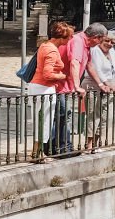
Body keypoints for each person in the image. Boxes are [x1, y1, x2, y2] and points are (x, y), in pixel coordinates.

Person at [49, 22, 106, 155]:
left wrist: (101, 84)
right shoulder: (78, 42)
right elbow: (75, 62)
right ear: (96, 37)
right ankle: (62, 148)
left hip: (63, 85)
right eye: (100, 41)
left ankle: (59, 147)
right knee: (63, 115)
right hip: (58, 84)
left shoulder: (85, 45)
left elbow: (89, 65)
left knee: (62, 115)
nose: (98, 44)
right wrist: (76, 85)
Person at [82, 31, 115, 152]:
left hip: (107, 86)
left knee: (106, 116)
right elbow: (96, 69)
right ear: (101, 39)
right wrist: (107, 84)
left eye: (112, 42)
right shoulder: (95, 50)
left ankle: (97, 143)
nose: (109, 44)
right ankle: (89, 145)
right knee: (93, 115)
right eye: (107, 40)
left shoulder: (111, 51)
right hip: (93, 85)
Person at [27, 21, 71, 163]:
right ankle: (38, 154)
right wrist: (63, 76)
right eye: (68, 37)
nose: (70, 40)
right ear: (61, 38)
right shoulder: (52, 50)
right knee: (45, 120)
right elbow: (47, 74)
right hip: (44, 88)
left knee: (40, 119)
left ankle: (36, 153)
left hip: (38, 86)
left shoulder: (44, 45)